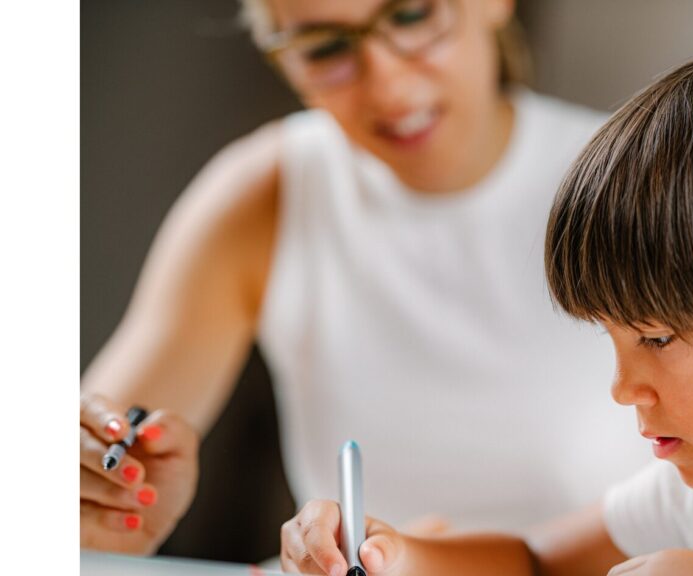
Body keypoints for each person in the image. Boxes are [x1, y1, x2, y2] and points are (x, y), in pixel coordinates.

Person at [279, 43, 693, 575]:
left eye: (655, 337)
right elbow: (538, 561)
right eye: (612, 337)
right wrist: (391, 555)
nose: (622, 388)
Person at [79, 0, 651, 556]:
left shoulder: (645, 186)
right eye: (325, 47)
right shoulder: (265, 197)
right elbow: (90, 464)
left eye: (411, 15)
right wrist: (99, 518)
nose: (388, 88)